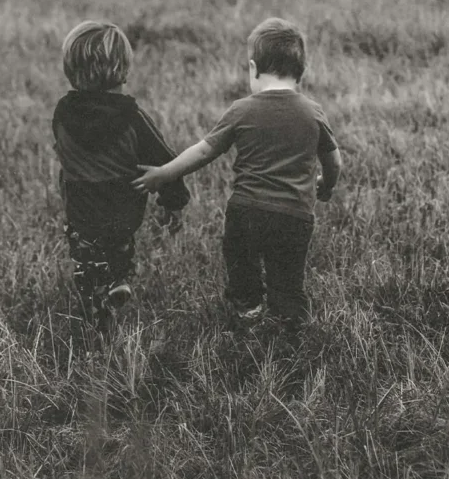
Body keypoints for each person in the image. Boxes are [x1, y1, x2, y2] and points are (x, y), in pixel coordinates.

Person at [133, 18, 341, 328]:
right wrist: (326, 185)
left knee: (241, 264)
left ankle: (249, 308)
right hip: (294, 216)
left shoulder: (242, 109)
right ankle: (288, 322)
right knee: (287, 276)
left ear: (254, 68)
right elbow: (334, 160)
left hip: (247, 211)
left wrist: (164, 173)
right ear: (303, 72)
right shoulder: (313, 112)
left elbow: (204, 151)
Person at [53, 20, 189, 332]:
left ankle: (95, 306)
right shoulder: (132, 118)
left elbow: (62, 150)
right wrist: (174, 201)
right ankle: (116, 281)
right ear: (123, 71)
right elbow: (165, 160)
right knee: (118, 248)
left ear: (69, 69)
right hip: (121, 210)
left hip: (80, 209)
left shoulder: (62, 112)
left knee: (85, 258)